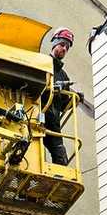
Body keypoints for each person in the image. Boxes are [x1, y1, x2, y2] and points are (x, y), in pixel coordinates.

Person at [42, 27, 74, 165]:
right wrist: (53, 86)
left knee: (61, 158)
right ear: (55, 43)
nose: (64, 49)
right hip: (37, 116)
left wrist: (74, 98)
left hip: (53, 123)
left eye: (67, 47)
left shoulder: (63, 75)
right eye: (62, 44)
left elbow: (63, 106)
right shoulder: (41, 63)